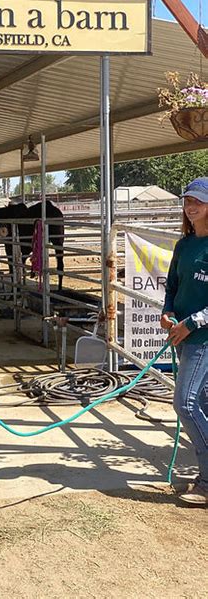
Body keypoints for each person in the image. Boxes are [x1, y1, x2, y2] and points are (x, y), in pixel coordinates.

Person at [160, 177, 208, 506]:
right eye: (188, 201)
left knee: (186, 404)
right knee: (200, 404)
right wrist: (168, 313)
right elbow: (172, 286)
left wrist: (191, 323)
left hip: (202, 337)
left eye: (198, 202)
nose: (190, 207)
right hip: (183, 335)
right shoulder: (184, 245)